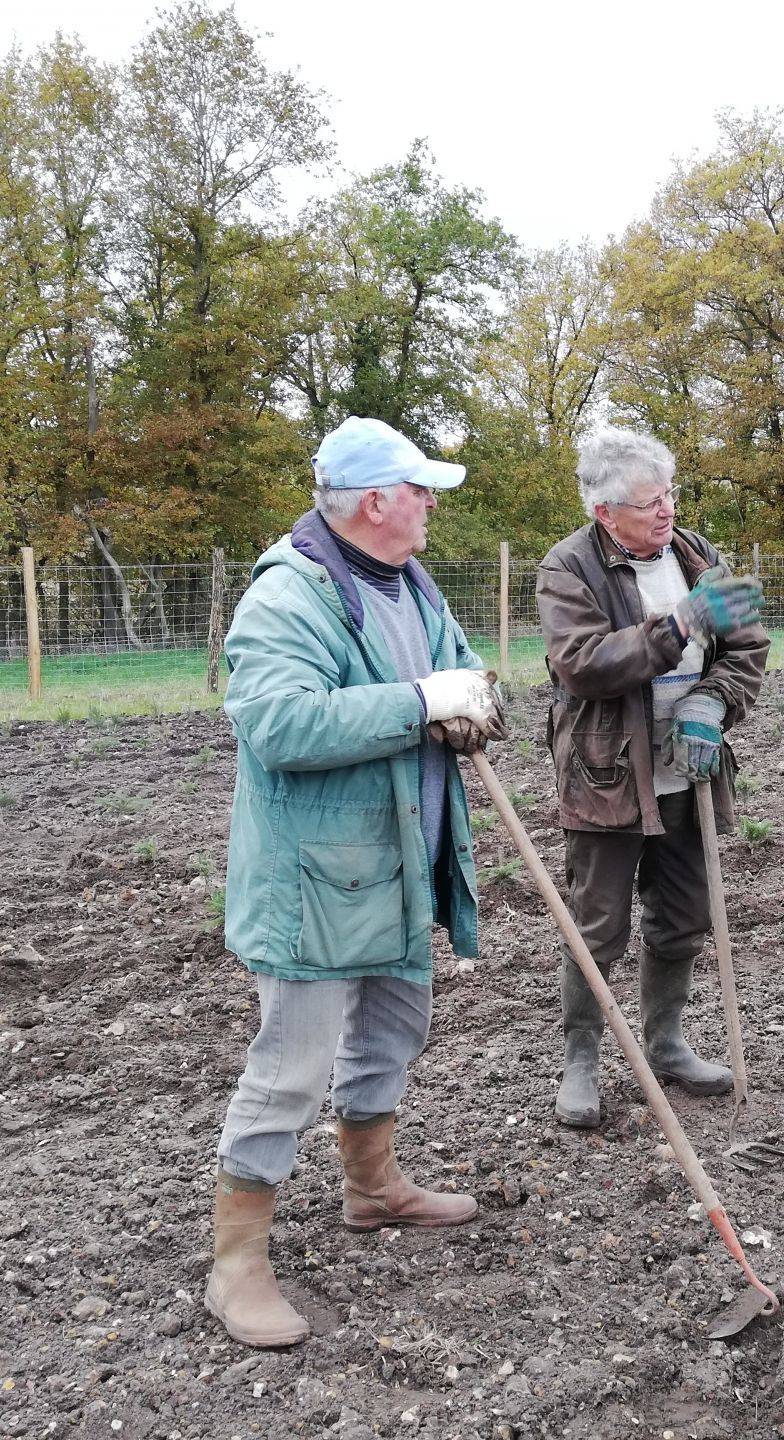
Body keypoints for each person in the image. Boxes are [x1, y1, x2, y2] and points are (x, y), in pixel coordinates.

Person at [206, 417, 506, 1348]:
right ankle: (237, 1265)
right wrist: (421, 705)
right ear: (376, 502)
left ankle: (372, 1190)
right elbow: (279, 727)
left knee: (391, 1035)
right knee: (291, 1068)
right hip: (315, 879)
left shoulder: (409, 581)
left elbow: (462, 669)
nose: (429, 506)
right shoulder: (289, 595)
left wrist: (473, 700)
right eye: (420, 491)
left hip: (403, 858)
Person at [536, 425, 768, 1128]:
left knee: (685, 915)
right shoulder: (568, 567)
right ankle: (581, 1059)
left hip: (689, 768)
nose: (666, 512)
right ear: (605, 513)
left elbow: (749, 645)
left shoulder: (700, 555)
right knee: (597, 928)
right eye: (648, 503)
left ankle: (667, 1044)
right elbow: (582, 663)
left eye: (669, 495)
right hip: (607, 774)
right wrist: (679, 627)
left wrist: (713, 700)